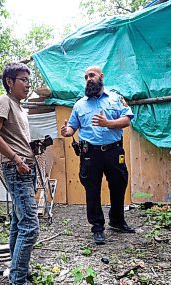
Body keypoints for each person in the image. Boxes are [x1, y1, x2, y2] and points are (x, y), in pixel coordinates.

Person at [0, 63, 46, 285]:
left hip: (25, 168)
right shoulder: (4, 101)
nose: (28, 84)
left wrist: (30, 153)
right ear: (9, 81)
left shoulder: (20, 108)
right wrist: (18, 159)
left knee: (18, 222)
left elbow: (14, 138)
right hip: (17, 168)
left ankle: (17, 269)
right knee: (30, 226)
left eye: (28, 80)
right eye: (23, 79)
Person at [61, 65, 135, 245]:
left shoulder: (116, 99)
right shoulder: (79, 104)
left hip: (114, 151)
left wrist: (107, 123)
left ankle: (117, 221)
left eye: (92, 75)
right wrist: (67, 131)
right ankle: (97, 227)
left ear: (101, 77)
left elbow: (127, 119)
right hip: (90, 154)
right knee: (92, 190)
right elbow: (72, 126)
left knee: (119, 185)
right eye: (86, 76)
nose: (88, 79)